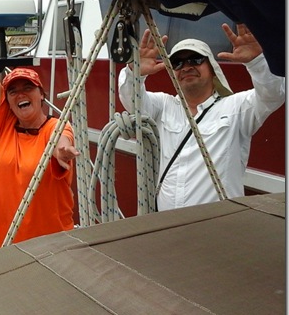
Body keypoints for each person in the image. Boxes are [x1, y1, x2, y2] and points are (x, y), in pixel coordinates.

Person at [0, 0, 79, 251]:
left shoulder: (56, 128)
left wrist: (63, 153)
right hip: (3, 245)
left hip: (51, 248)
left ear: (41, 95)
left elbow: (62, 143)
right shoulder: (5, 125)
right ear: (8, 101)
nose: (20, 94)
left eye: (28, 88)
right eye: (13, 91)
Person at [118, 24, 285, 211]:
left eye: (195, 60)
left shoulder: (236, 108)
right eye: (178, 63)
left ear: (212, 68)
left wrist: (256, 62)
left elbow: (273, 94)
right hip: (167, 225)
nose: (186, 67)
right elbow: (132, 101)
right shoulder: (164, 106)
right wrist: (135, 73)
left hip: (217, 229)